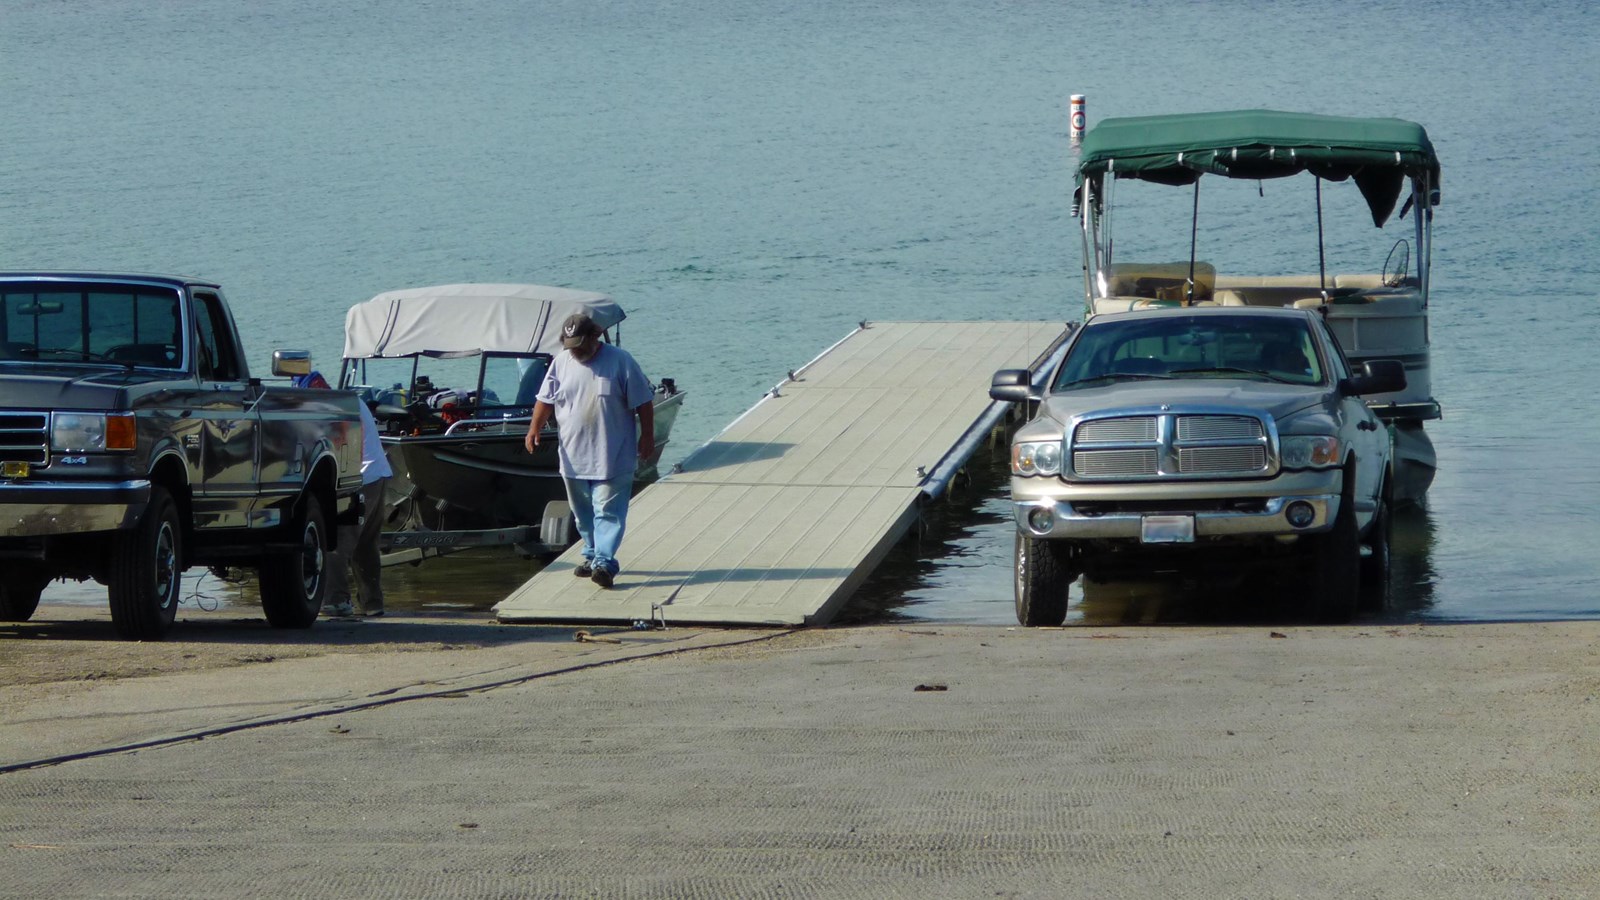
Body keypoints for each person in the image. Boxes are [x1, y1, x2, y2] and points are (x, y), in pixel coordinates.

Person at [524, 313, 654, 589]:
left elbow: (643, 402)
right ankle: (592, 553)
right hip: (573, 455)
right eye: (571, 346)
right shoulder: (561, 362)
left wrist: (648, 437)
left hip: (613, 454)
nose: (576, 351)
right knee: (582, 512)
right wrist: (534, 428)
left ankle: (605, 563)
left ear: (595, 337)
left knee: (607, 511)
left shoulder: (621, 361)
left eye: (581, 345)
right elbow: (545, 399)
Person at [324, 396, 394, 617]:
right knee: (366, 545)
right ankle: (372, 603)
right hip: (379, 474)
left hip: (361, 478)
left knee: (337, 542)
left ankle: (336, 601)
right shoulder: (352, 400)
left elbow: (336, 446)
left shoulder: (334, 407)